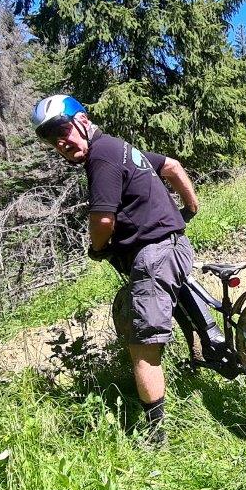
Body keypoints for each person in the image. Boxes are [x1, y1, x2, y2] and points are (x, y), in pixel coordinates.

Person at [31, 94, 225, 443]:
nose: (60, 142)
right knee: (180, 301)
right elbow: (173, 167)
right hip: (175, 246)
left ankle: (156, 437)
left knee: (143, 349)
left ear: (82, 121)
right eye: (50, 138)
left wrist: (97, 247)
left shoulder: (101, 158)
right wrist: (190, 208)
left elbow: (102, 218)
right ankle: (209, 346)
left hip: (152, 256)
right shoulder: (121, 148)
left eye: (63, 130)